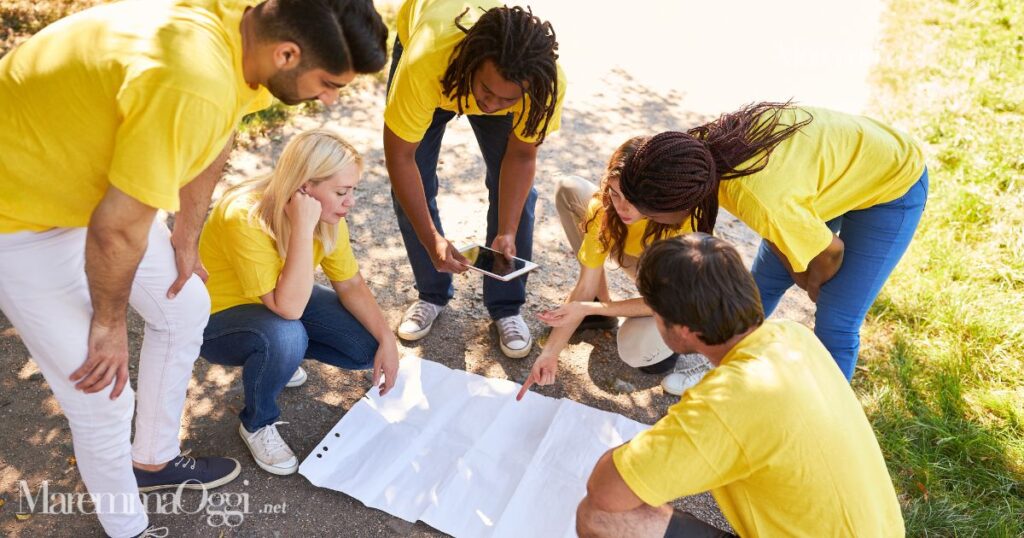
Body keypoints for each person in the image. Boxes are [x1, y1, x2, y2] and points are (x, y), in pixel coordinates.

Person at [0, 0, 386, 535]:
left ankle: (153, 461)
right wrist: (108, 324)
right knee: (102, 392)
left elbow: (221, 134)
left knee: (185, 308)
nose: (329, 99)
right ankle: (127, 526)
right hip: (20, 219)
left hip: (92, 189)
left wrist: (186, 231)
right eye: (327, 82)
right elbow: (117, 228)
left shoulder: (242, 34)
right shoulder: (196, 79)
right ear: (288, 53)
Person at [576, 234, 905, 538]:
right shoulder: (794, 336)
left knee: (597, 516)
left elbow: (605, 490)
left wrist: (649, 447)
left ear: (684, 329)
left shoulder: (726, 404)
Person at [617, 102, 928, 379]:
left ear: (681, 202)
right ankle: (724, 366)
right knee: (757, 288)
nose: (650, 222)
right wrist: (795, 267)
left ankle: (819, 420)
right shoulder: (689, 158)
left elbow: (831, 254)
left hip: (892, 181)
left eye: (654, 216)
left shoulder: (760, 200)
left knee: (837, 321)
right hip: (828, 176)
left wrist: (813, 283)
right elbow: (781, 228)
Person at [198, 129, 398, 476]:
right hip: (216, 321)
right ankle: (257, 422)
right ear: (304, 188)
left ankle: (275, 362)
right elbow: (288, 309)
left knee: (366, 348)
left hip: (278, 301)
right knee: (287, 334)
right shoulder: (244, 215)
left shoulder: (330, 216)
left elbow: (349, 283)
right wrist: (303, 228)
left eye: (352, 190)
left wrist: (387, 339)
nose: (350, 202)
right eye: (341, 192)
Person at [383, 0, 566, 358]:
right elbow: (400, 158)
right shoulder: (426, 63)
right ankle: (431, 294)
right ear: (473, 65)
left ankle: (507, 308)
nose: (492, 105)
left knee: (517, 199)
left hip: (480, 76)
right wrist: (432, 238)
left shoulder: (544, 84)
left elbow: (522, 155)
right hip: (439, 67)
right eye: (487, 90)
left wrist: (507, 230)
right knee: (412, 188)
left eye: (507, 99)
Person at [517, 137, 704, 400]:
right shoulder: (607, 207)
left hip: (679, 298)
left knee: (636, 351)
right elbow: (585, 285)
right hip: (642, 262)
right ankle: (599, 316)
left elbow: (665, 302)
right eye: (615, 193)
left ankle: (688, 350)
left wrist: (588, 308)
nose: (622, 207)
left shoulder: (680, 220)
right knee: (570, 188)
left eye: (631, 198)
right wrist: (549, 353)